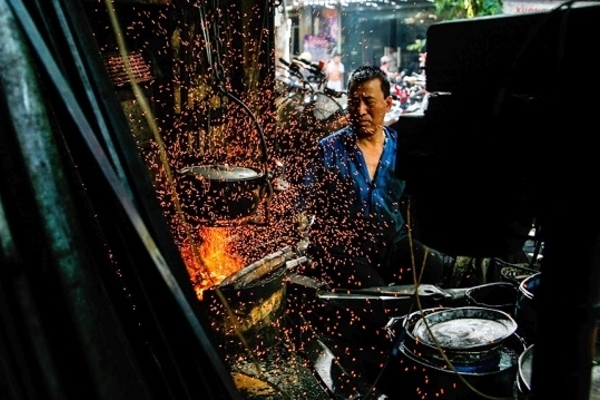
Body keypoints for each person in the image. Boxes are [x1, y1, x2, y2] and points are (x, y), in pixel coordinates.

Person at [298, 65, 444, 289]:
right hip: (345, 250)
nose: (360, 110)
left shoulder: (401, 147)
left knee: (433, 265)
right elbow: (303, 200)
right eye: (354, 102)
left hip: (390, 243)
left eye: (369, 101)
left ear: (387, 103)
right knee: (373, 297)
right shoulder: (328, 150)